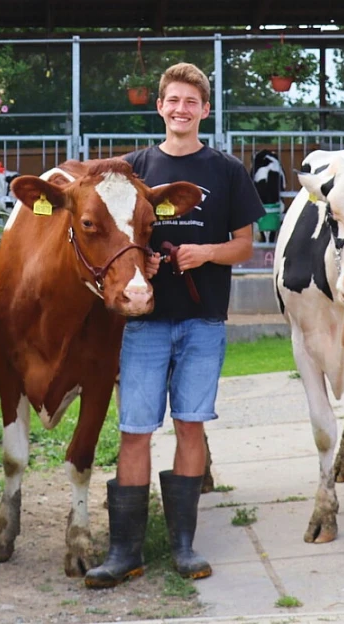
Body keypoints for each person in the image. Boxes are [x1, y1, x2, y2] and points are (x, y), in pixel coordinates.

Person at [84, 63, 265, 588]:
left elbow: (245, 245)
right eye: (173, 100)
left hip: (203, 319)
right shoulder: (133, 168)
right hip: (144, 321)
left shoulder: (227, 170)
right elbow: (115, 238)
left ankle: (184, 545)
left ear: (204, 110)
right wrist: (145, 264)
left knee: (190, 423)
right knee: (135, 429)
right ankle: (126, 551)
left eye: (192, 101)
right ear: (159, 106)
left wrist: (206, 252)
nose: (181, 109)